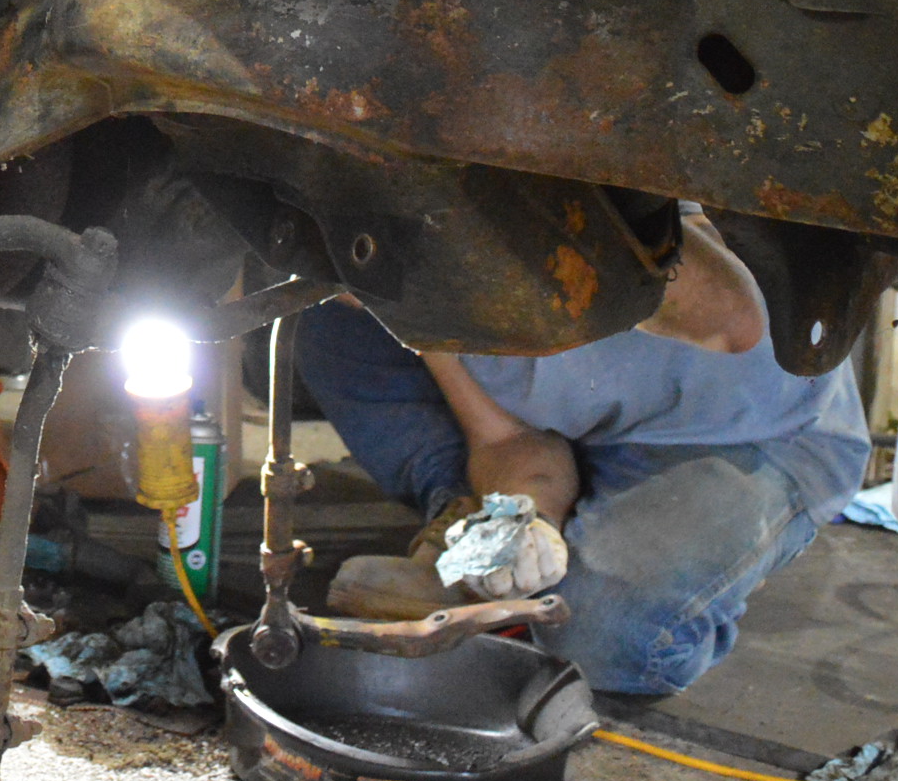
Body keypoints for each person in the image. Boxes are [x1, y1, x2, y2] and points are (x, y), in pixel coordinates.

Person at [299, 203, 868, 697]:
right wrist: (527, 518)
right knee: (329, 327)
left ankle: (719, 562)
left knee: (610, 639)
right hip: (585, 426)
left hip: (744, 437)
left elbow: (731, 320)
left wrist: (547, 218)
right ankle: (465, 521)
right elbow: (507, 440)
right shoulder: (413, 290)